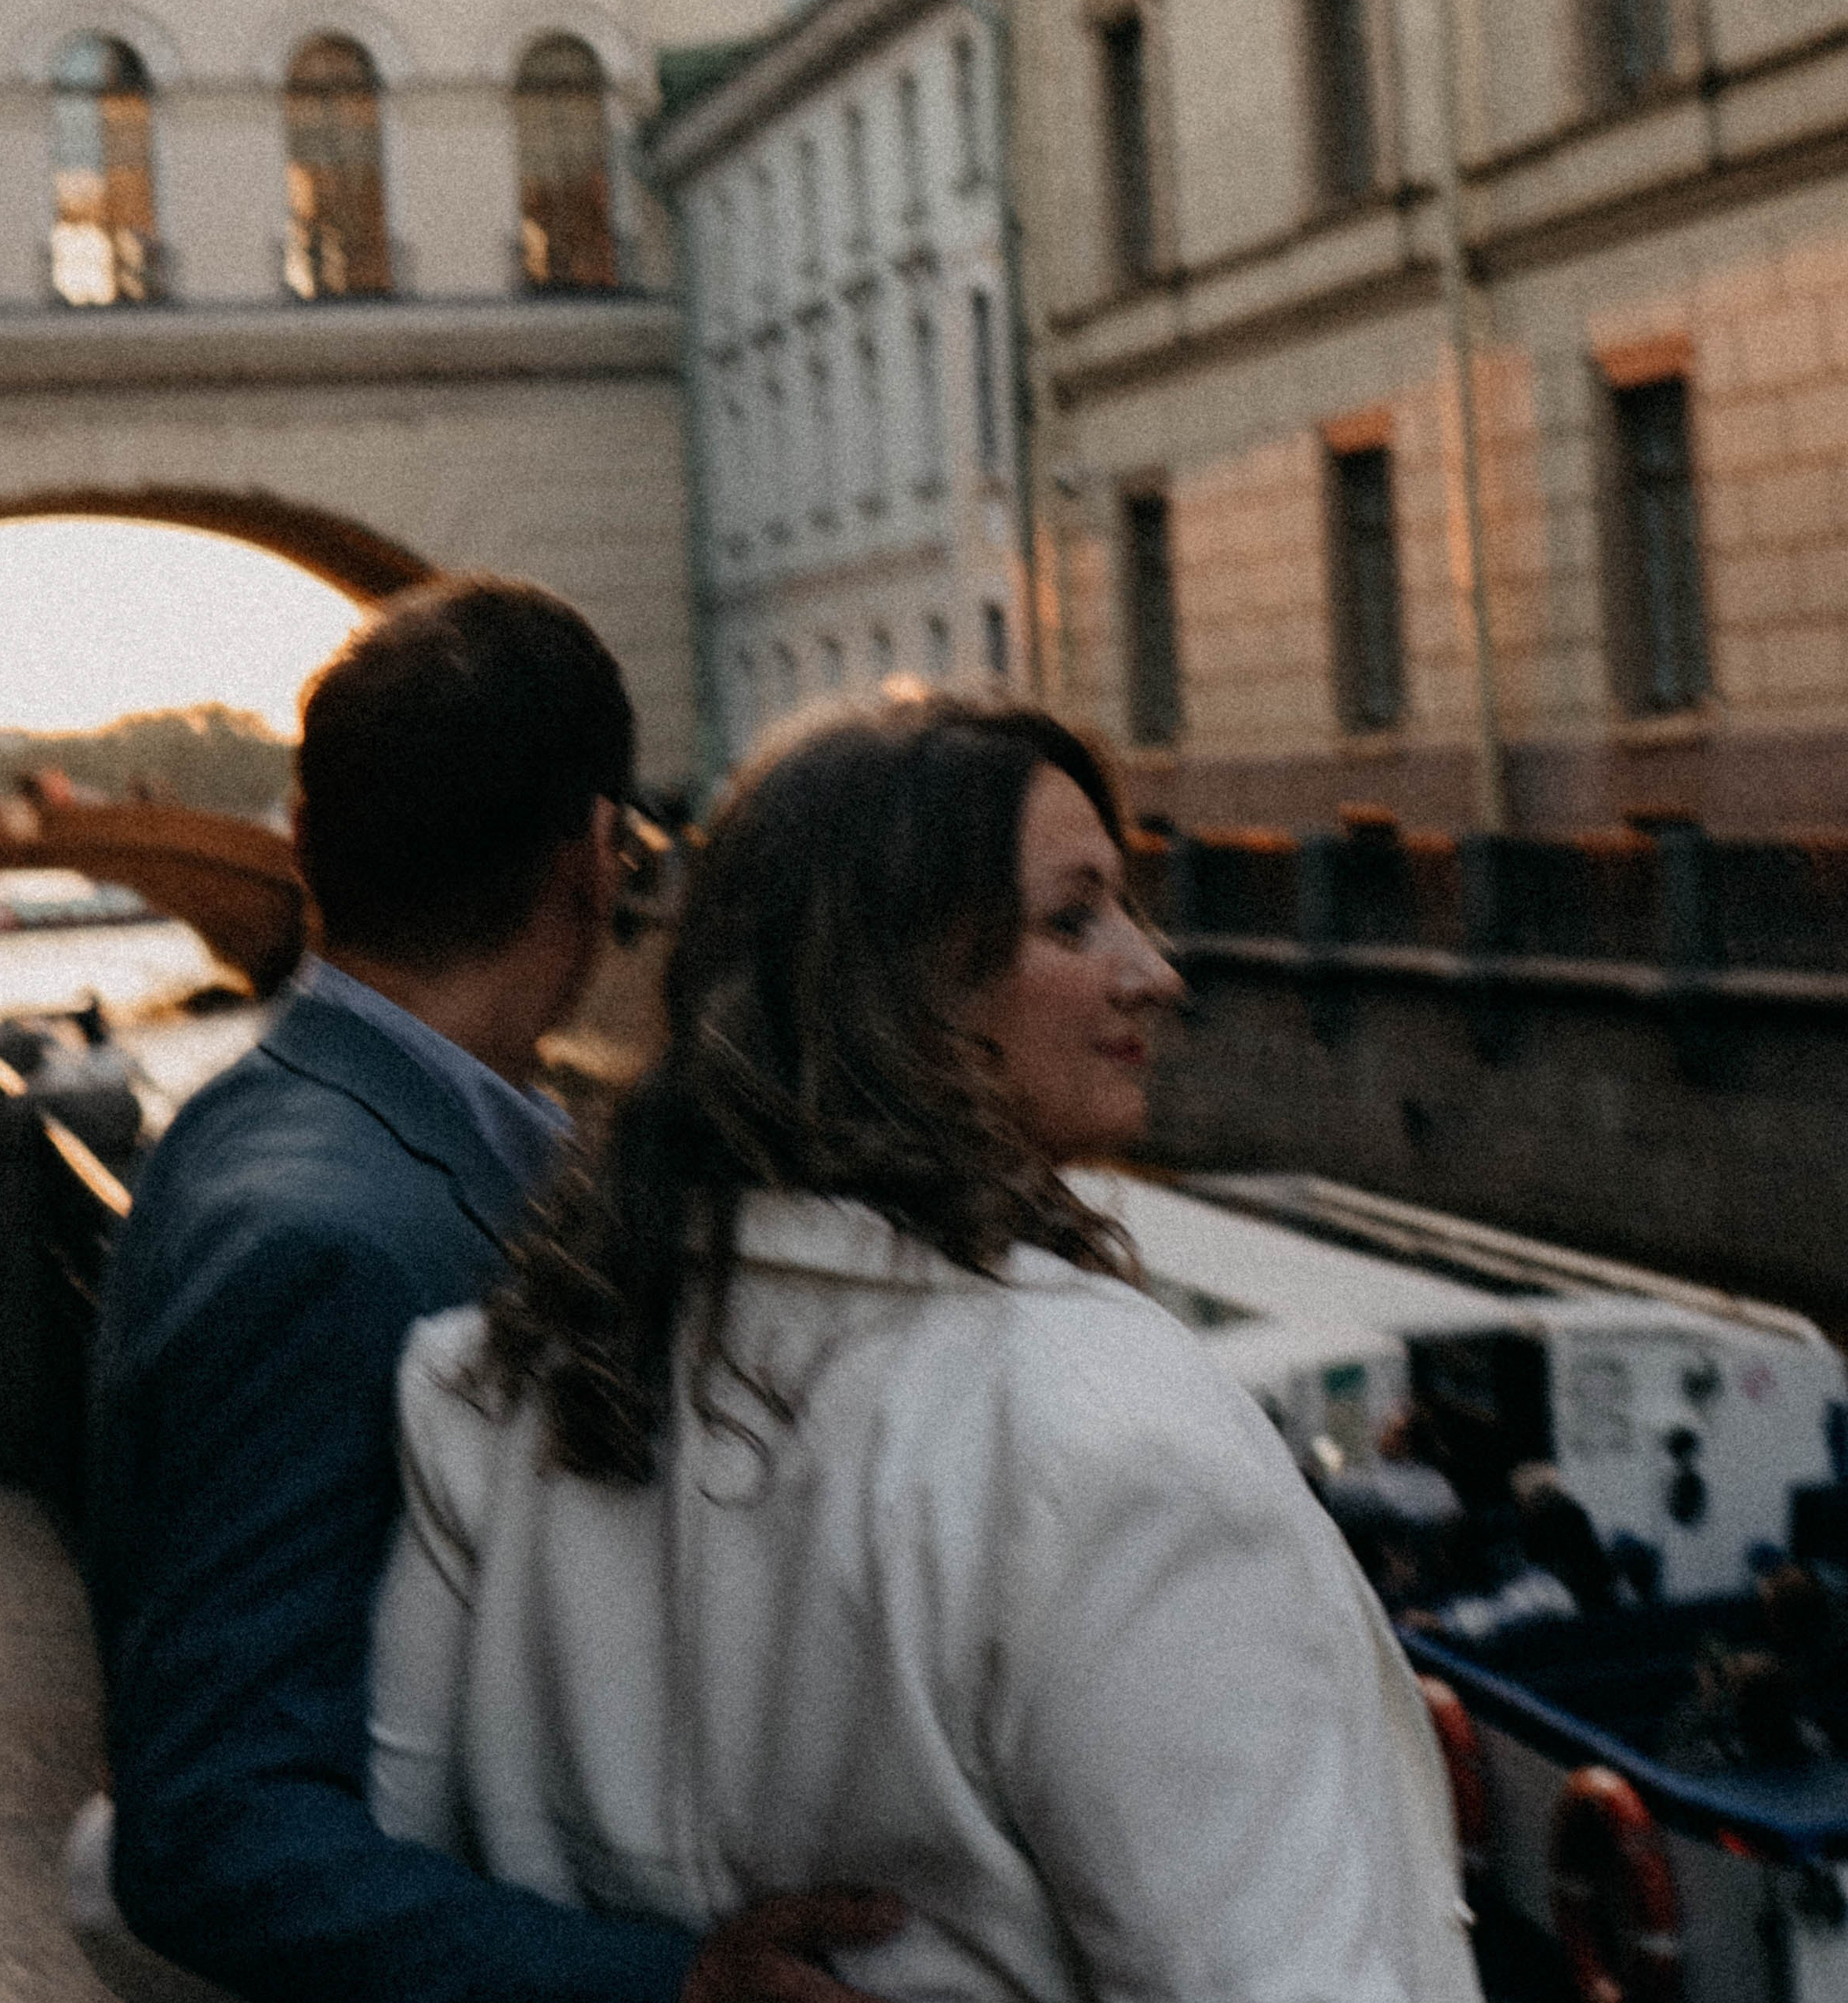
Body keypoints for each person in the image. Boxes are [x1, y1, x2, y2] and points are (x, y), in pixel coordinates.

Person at [369, 695, 1481, 2003]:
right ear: (899, 987)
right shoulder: (1108, 1444)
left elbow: (393, 1883)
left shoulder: (488, 1385)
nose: (1154, 969)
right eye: (1074, 918)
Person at [82, 579, 897, 2003]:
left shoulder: (245, 1127)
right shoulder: (335, 1246)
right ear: (596, 853)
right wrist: (669, 1985)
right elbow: (215, 1830)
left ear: (303, 841)